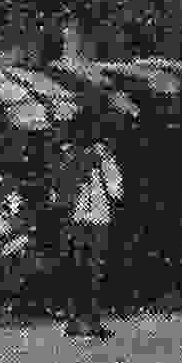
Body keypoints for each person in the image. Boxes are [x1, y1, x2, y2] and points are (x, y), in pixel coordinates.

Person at [54, 100, 124, 338]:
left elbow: (60, 186)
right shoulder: (103, 156)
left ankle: (73, 320)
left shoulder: (69, 155)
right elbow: (117, 192)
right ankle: (92, 321)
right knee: (93, 270)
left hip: (75, 216)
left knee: (74, 268)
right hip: (97, 218)